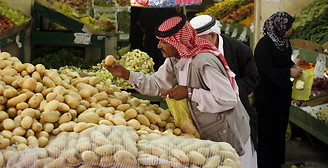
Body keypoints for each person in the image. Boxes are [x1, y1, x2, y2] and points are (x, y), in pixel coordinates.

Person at [105, 14, 253, 166]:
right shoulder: (175, 59)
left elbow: (228, 99)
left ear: (178, 42)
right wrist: (126, 74)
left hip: (228, 134)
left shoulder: (203, 62)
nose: (158, 46)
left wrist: (189, 92)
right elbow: (157, 84)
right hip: (205, 131)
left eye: (163, 42)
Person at [190, 15, 260, 165]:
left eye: (198, 40)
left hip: (237, 115)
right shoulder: (195, 51)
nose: (194, 45)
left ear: (212, 35)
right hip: (207, 117)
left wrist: (229, 91)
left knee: (241, 159)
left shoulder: (239, 49)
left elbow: (253, 77)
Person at [253, 11, 302, 168]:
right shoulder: (264, 45)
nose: (291, 29)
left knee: (279, 131)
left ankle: (276, 163)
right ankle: (266, 164)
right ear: (279, 26)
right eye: (288, 26)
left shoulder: (284, 42)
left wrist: (293, 66)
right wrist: (288, 72)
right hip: (267, 97)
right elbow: (264, 71)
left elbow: (285, 61)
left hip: (282, 95)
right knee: (268, 132)